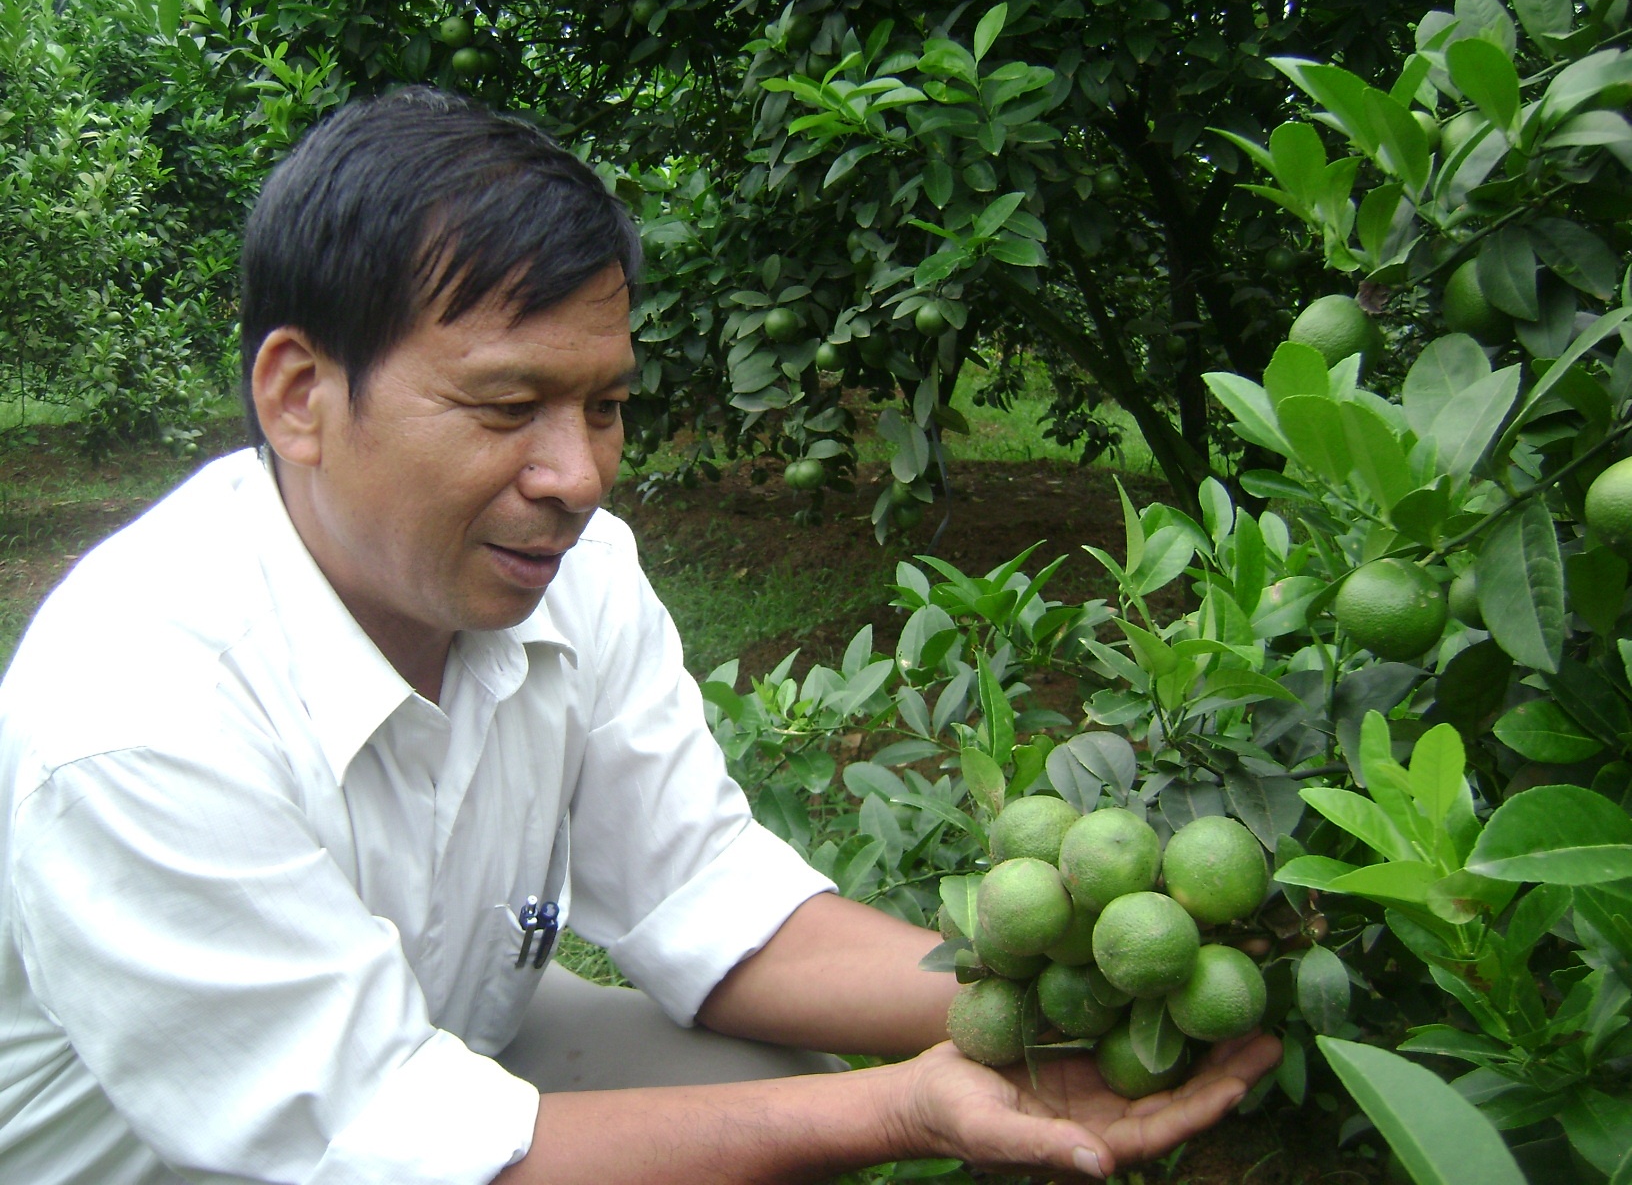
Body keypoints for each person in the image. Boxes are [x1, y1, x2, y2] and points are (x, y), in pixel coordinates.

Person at [0, 88, 1279, 1184]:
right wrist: (900, 1110)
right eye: (507, 404)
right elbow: (376, 1140)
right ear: (300, 396)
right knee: (808, 1118)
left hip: (444, 1044)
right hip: (210, 1159)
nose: (577, 475)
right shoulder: (139, 713)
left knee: (775, 1086)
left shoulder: (569, 575)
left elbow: (701, 897)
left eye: (605, 404)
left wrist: (1069, 996)